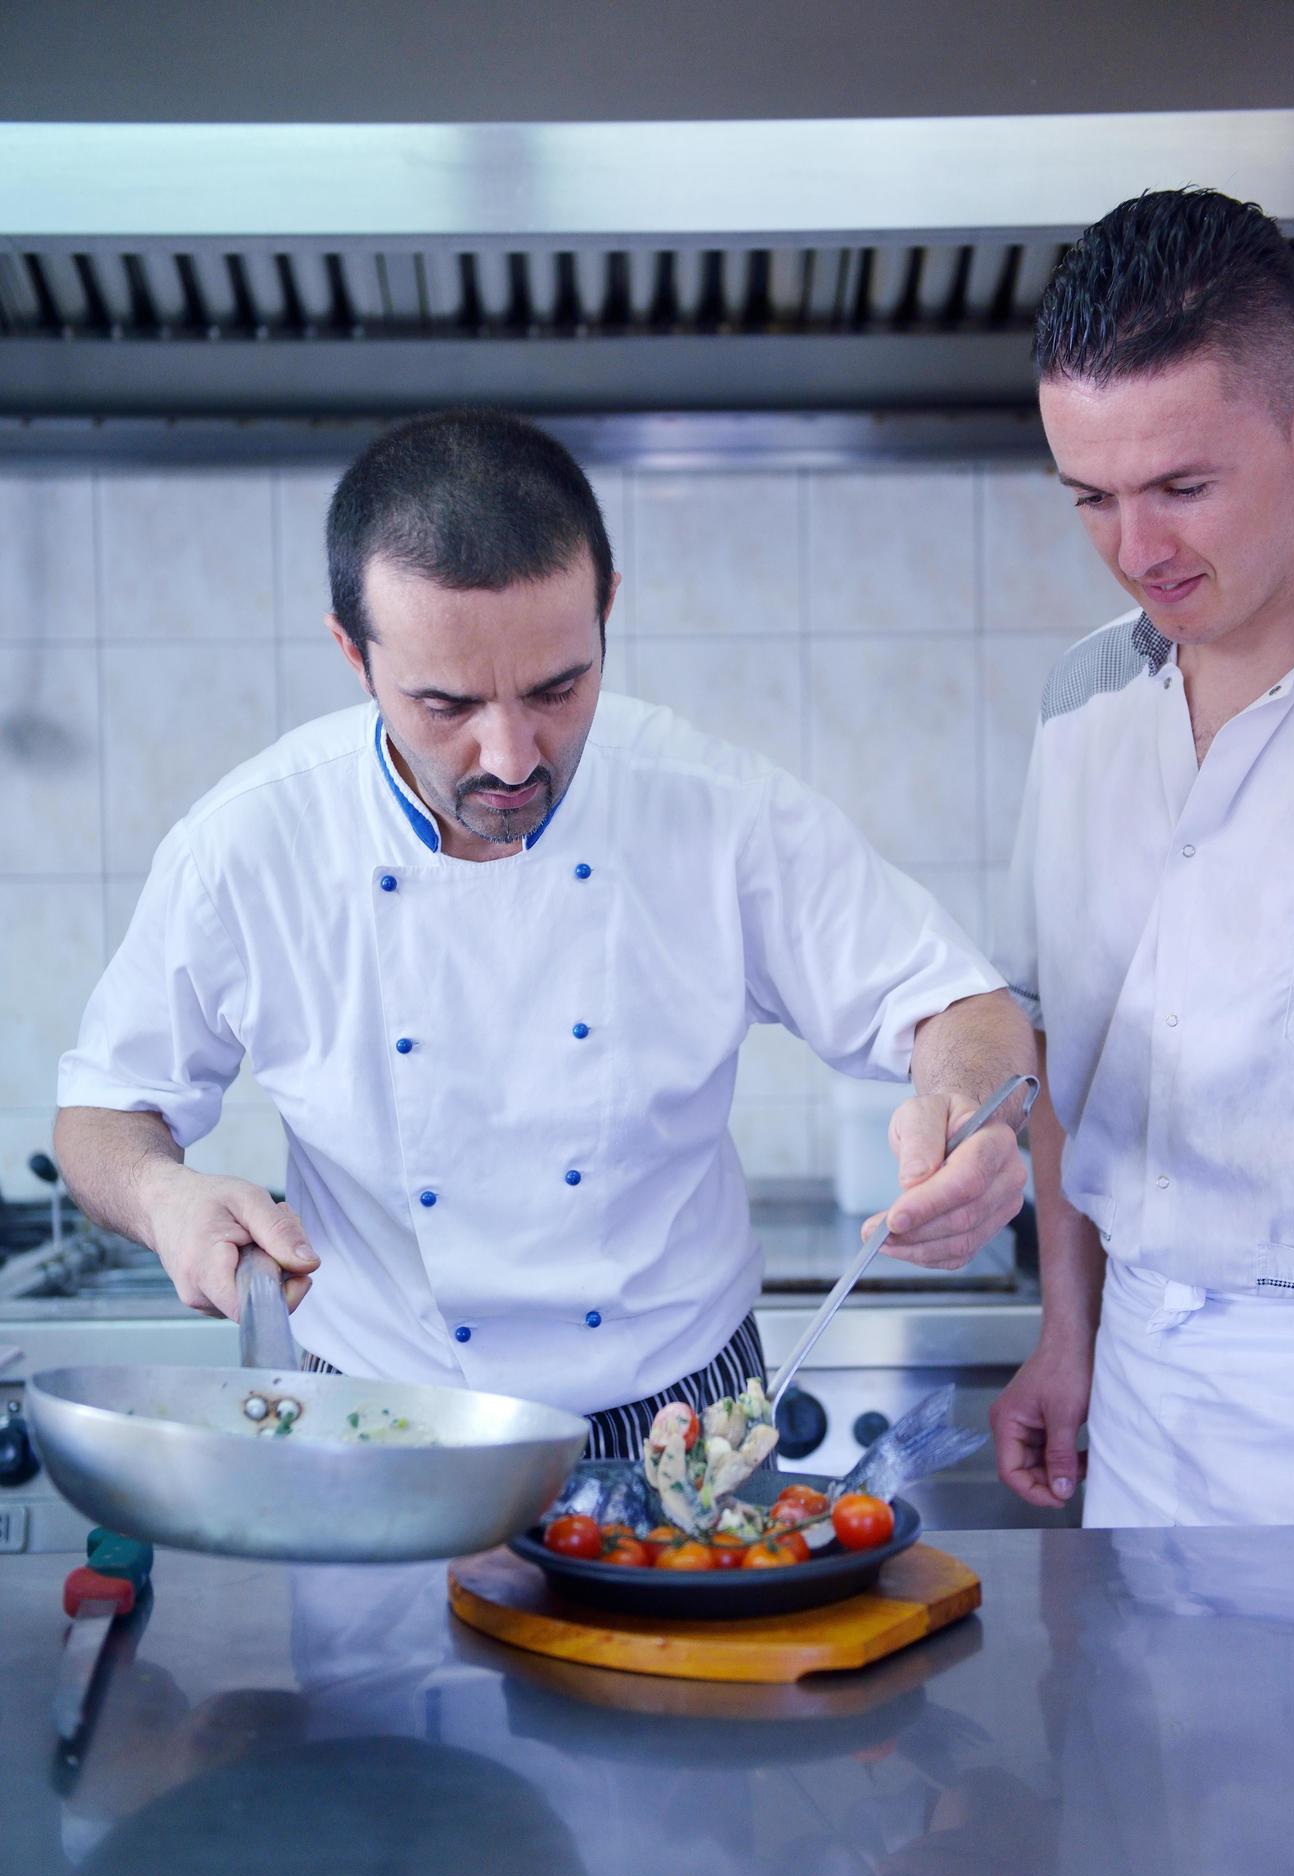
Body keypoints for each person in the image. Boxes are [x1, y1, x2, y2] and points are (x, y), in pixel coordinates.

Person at [55, 409, 1032, 1456]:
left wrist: (969, 1115)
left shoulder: (715, 812)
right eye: (445, 704)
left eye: (559, 689)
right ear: (353, 654)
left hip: (685, 1424)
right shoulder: (250, 844)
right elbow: (104, 1111)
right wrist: (163, 1198)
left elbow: (957, 1005)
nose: (512, 757)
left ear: (607, 609)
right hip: (379, 1430)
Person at [990, 189, 1294, 1525]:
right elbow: (1063, 1038)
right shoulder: (1080, 707)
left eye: (1182, 488)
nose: (1138, 552)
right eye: (1093, 498)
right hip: (1142, 1397)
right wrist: (1072, 1328)